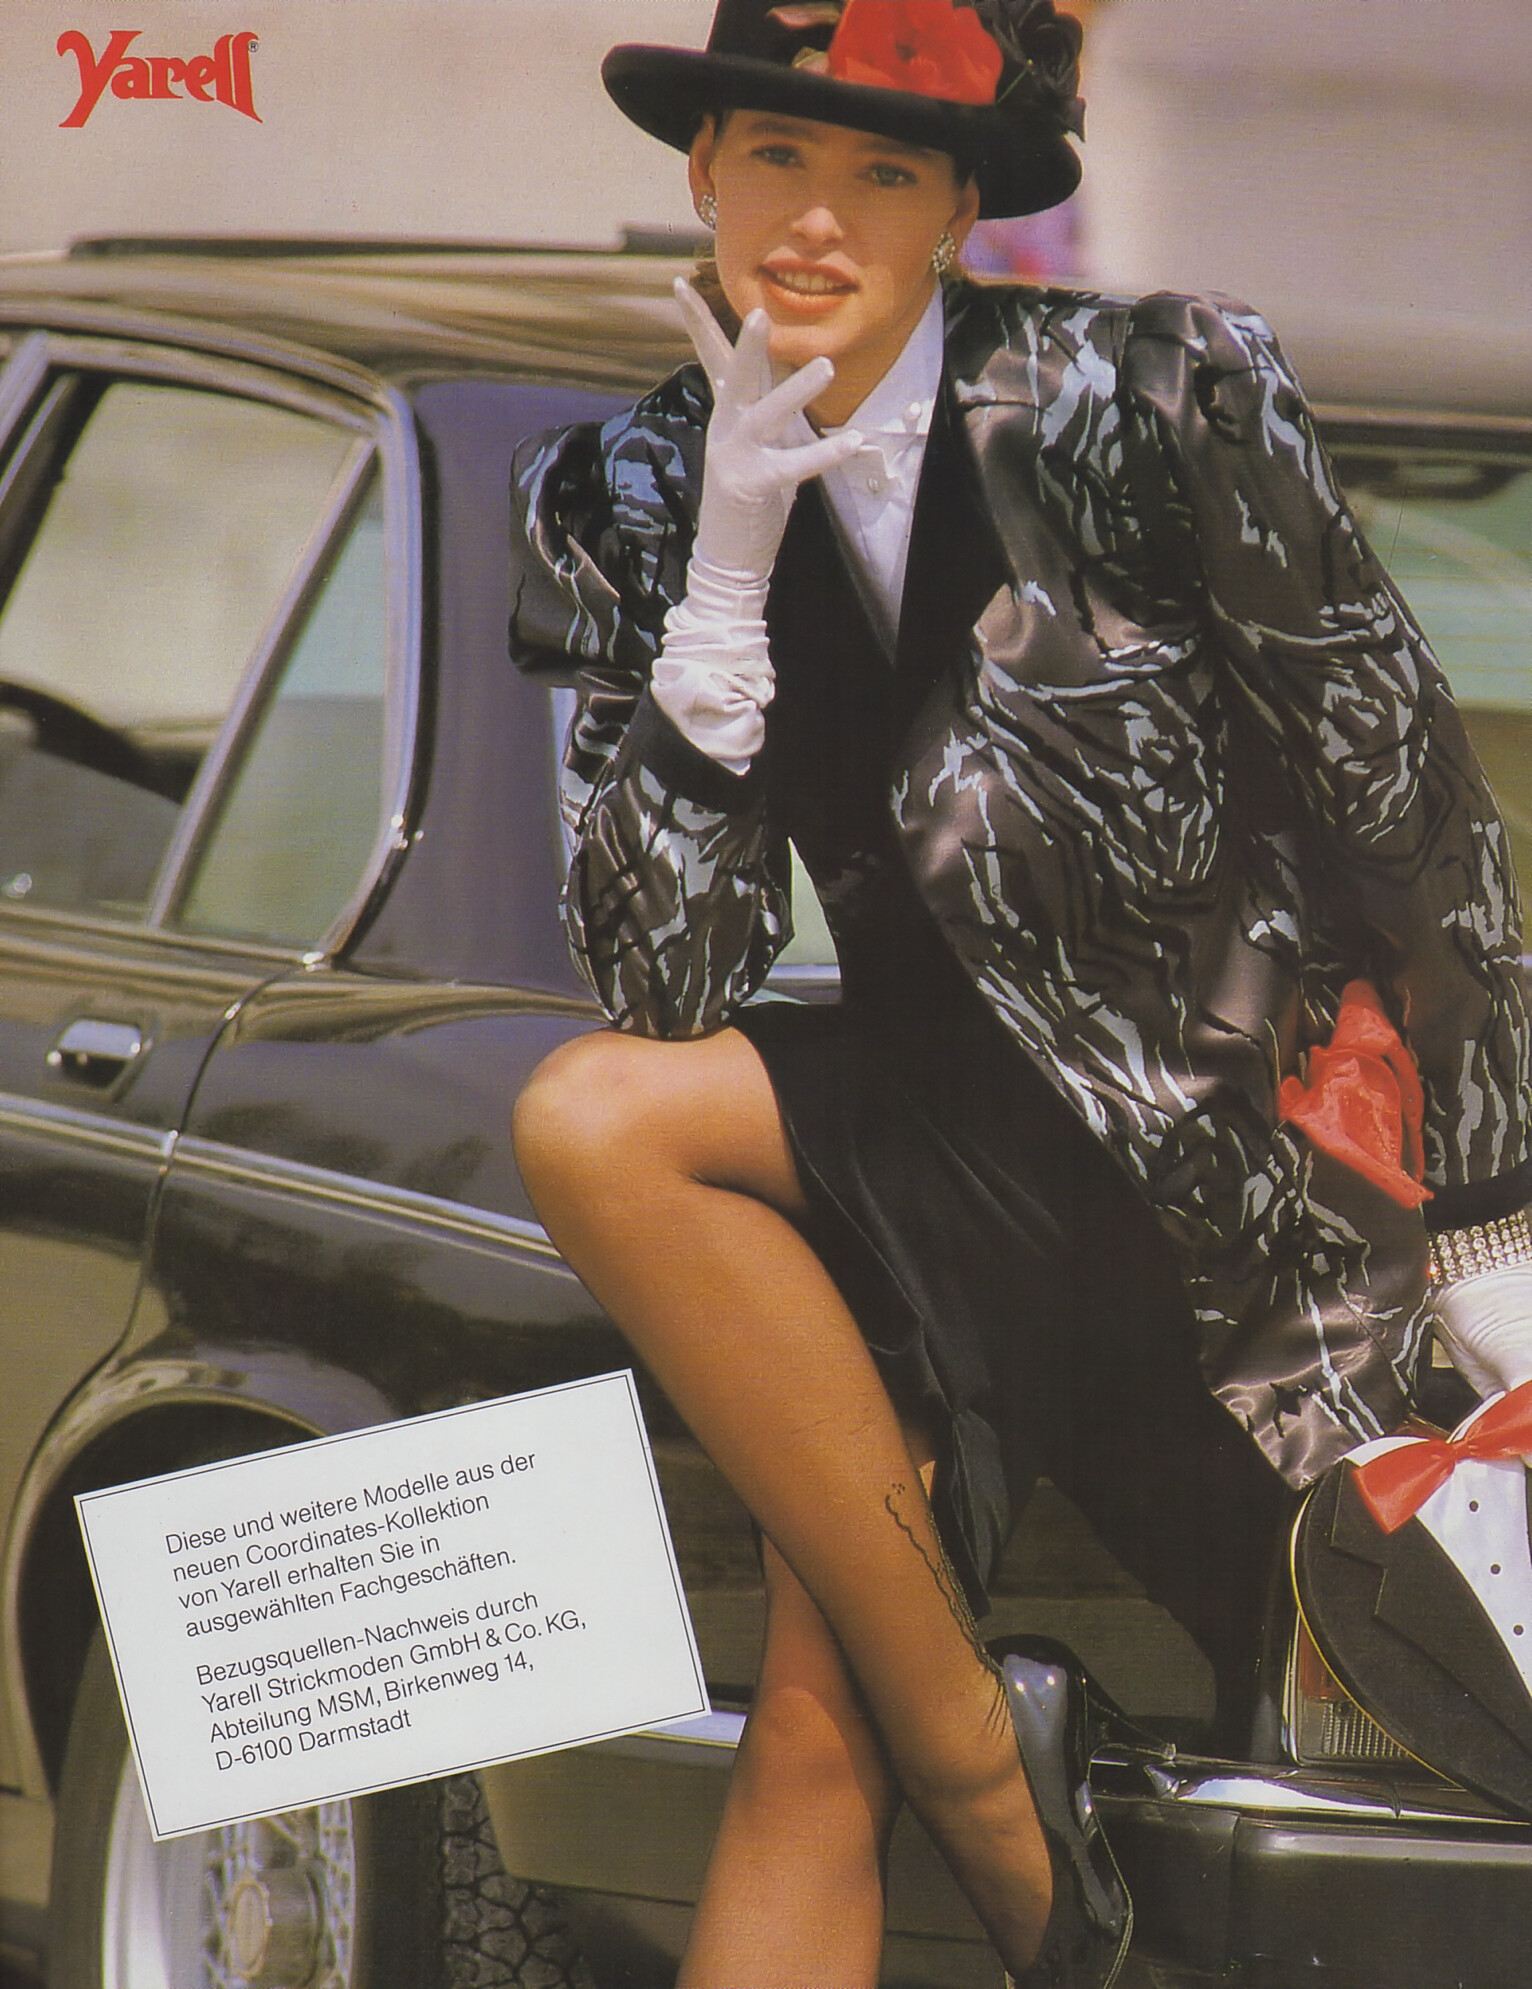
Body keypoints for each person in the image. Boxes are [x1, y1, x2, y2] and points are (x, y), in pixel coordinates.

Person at [505, 3, 1532, 1983]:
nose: (819, 218)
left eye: (882, 169)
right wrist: (726, 567)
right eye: (776, 156)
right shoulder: (622, 483)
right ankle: (987, 1765)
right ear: (702, 172)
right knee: (593, 1112)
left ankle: (991, 1786)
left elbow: (1407, 794)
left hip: (1246, 1196)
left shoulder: (1152, 396)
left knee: (836, 1722)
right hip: (927, 1157)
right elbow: (663, 974)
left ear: (961, 206)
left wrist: (1497, 1216)